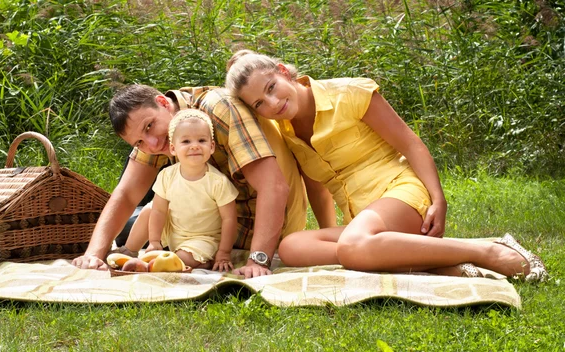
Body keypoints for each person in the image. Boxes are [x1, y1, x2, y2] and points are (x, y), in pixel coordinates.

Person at [224, 50, 548, 282]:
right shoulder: (284, 132)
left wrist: (439, 199)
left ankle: (484, 250)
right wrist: (326, 233)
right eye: (259, 104)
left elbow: (410, 143)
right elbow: (316, 186)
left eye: (270, 88)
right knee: (293, 247)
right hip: (363, 222)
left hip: (400, 192)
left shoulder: (350, 92)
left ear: (282, 71)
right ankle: (423, 262)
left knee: (352, 246)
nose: (272, 103)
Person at [71, 84, 308, 278]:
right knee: (135, 221)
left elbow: (274, 187)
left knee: (143, 223)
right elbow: (126, 194)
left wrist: (258, 260)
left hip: (254, 228)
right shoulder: (161, 133)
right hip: (197, 224)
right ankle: (133, 249)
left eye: (150, 126)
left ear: (164, 103)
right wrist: (93, 255)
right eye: (139, 143)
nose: (152, 144)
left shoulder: (218, 107)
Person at [117, 109, 239, 271]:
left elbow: (229, 219)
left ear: (211, 147)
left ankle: (188, 261)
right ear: (173, 149)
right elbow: (159, 211)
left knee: (182, 257)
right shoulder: (167, 175)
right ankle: (129, 250)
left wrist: (223, 253)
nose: (194, 146)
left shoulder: (218, 182)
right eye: (186, 142)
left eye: (201, 141)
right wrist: (154, 242)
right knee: (149, 209)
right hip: (174, 230)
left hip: (203, 239)